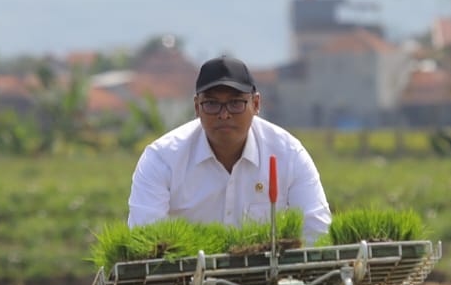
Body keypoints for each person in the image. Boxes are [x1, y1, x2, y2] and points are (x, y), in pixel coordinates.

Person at [128, 55, 332, 244]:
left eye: (235, 103)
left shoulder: (289, 155)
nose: (224, 115)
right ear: (197, 107)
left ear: (256, 104)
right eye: (211, 104)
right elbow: (146, 241)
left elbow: (316, 234)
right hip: (186, 281)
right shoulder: (162, 159)